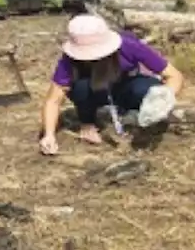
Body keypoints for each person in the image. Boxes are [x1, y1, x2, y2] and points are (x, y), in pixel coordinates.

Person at [38, 14, 184, 156]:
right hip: (95, 91)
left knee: (147, 89)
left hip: (127, 86)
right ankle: (88, 122)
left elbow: (174, 75)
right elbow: (53, 100)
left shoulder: (129, 45)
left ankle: (136, 120)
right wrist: (49, 135)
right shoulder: (69, 60)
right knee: (80, 87)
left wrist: (162, 101)